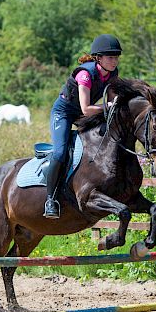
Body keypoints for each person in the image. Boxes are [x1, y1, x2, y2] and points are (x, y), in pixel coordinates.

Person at [44, 34, 122, 219]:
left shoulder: (112, 74)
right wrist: (109, 106)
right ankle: (50, 199)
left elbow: (112, 101)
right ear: (98, 58)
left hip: (83, 113)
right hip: (64, 113)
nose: (114, 61)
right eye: (110, 57)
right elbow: (86, 109)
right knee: (60, 152)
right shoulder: (85, 74)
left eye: (116, 57)